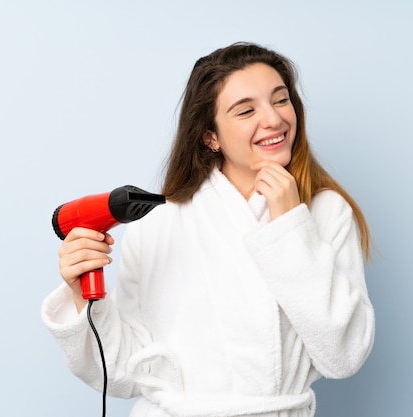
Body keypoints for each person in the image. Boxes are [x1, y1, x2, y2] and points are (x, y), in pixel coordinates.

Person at [41, 41, 375, 417]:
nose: (274, 119)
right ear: (210, 136)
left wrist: (288, 224)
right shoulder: (160, 222)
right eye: (246, 109)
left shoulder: (327, 212)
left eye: (281, 100)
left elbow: (343, 356)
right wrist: (81, 299)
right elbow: (123, 371)